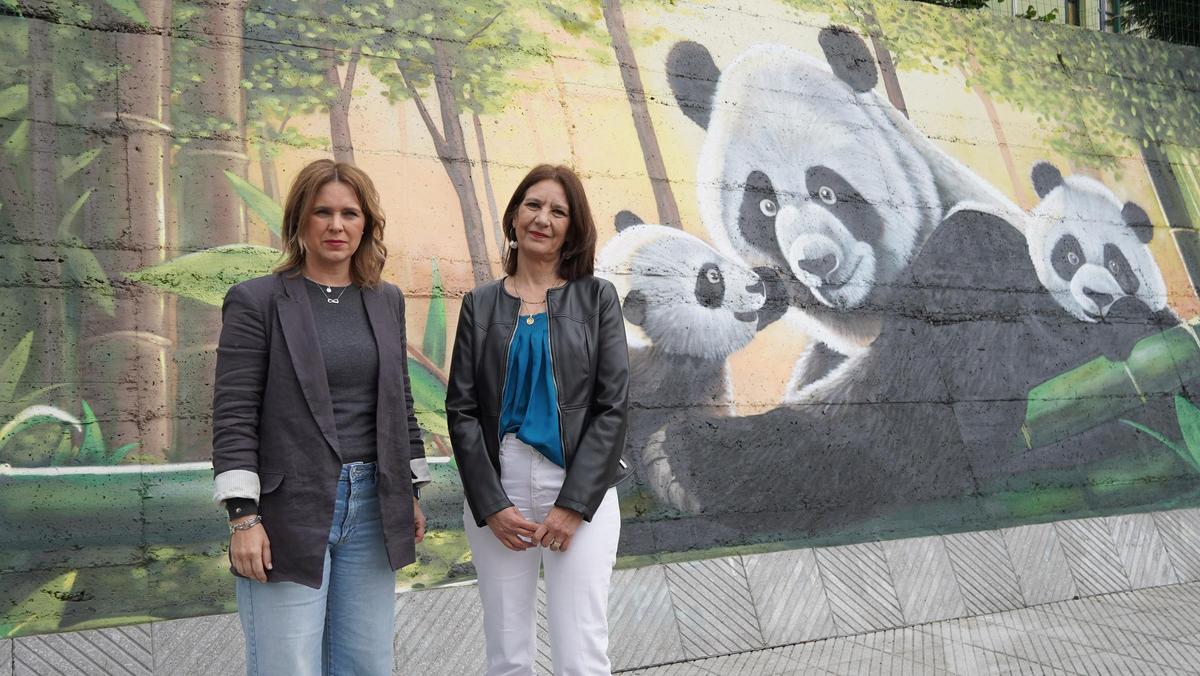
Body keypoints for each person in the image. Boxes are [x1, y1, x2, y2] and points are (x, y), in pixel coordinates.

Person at [211, 159, 430, 676]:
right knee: (288, 665)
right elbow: (234, 413)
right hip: (289, 509)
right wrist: (244, 517)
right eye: (323, 212)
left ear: (367, 225)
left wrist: (409, 494)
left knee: (366, 664)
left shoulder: (386, 300)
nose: (337, 226)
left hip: (374, 505)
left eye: (350, 214)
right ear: (299, 222)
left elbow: (399, 401)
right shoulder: (256, 301)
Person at [447, 164, 631, 675]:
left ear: (573, 227)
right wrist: (490, 504)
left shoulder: (597, 299)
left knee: (582, 654)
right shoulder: (479, 304)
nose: (542, 219)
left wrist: (574, 505)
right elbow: (461, 410)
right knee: (507, 657)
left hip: (577, 488)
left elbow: (612, 408)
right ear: (513, 216)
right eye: (532, 205)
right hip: (498, 489)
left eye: (558, 210)